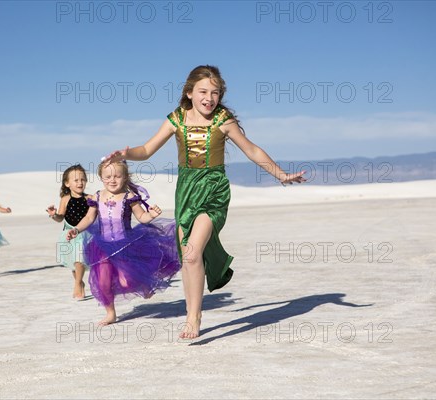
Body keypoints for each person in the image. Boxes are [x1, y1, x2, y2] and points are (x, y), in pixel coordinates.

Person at [105, 65, 306, 338]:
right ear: (189, 93)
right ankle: (192, 311)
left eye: (215, 92)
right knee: (187, 256)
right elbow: (147, 149)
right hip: (187, 190)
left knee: (192, 252)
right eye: (203, 91)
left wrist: (280, 174)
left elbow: (251, 149)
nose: (209, 97)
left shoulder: (222, 120)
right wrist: (127, 154)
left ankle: (194, 318)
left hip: (213, 190)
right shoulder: (176, 119)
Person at [67, 160, 181, 326]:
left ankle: (144, 284)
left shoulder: (129, 197)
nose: (112, 180)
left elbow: (142, 217)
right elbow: (89, 218)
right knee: (103, 281)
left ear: (125, 177)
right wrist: (76, 229)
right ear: (101, 177)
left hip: (126, 245)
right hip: (102, 246)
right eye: (108, 176)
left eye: (117, 176)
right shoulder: (97, 197)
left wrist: (151, 215)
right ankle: (110, 313)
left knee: (126, 281)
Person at [46, 164, 90, 299]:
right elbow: (60, 218)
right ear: (67, 183)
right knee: (73, 264)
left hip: (84, 234)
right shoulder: (65, 199)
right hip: (68, 234)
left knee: (79, 260)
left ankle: (77, 284)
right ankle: (79, 282)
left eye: (82, 179)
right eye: (76, 180)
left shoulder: (90, 198)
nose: (80, 182)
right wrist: (54, 215)